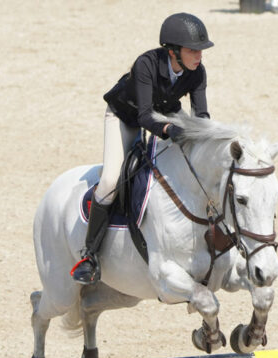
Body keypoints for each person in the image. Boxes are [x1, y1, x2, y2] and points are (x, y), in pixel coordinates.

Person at [71, 12, 215, 284]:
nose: (199, 56)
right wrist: (172, 131)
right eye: (192, 50)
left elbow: (201, 116)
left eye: (200, 51)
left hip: (165, 114)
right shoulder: (146, 64)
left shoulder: (197, 72)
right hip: (125, 117)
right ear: (173, 51)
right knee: (112, 180)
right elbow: (144, 117)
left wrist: (205, 137)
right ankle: (89, 255)